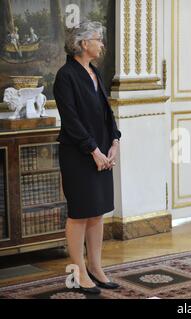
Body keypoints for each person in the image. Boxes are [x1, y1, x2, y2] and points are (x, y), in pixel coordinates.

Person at [53, 21, 121, 294]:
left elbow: (106, 111)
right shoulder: (65, 75)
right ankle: (77, 272)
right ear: (83, 44)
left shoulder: (95, 71)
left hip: (102, 152)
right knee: (80, 213)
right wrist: (93, 150)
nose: (102, 44)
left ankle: (96, 267)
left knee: (98, 211)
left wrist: (115, 139)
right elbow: (71, 120)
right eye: (98, 40)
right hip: (80, 154)